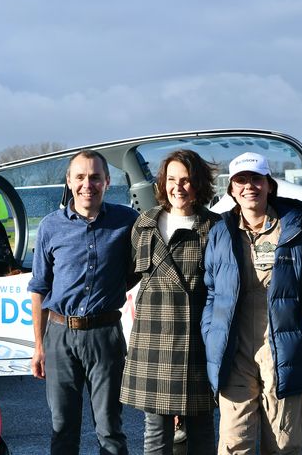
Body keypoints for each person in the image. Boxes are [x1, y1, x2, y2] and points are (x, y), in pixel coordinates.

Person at [202, 152, 302, 454]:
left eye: (256, 179)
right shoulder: (220, 233)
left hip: (283, 347)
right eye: (241, 180)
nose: (250, 186)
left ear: (269, 185)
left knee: (283, 442)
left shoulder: (300, 232)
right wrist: (212, 334)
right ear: (232, 189)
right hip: (234, 350)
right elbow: (211, 292)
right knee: (235, 441)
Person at [28, 150, 138, 455]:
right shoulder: (51, 226)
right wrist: (38, 346)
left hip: (106, 336)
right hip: (60, 336)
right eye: (80, 177)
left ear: (107, 181)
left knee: (110, 430)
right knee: (63, 429)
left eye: (94, 177)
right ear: (69, 181)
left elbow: (139, 268)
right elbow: (39, 288)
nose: (87, 184)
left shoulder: (127, 221)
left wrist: (113, 288)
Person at [120, 149, 220, 455]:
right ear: (163, 183)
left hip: (197, 343)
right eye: (172, 179)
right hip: (154, 342)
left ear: (198, 184)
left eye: (186, 180)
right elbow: (127, 277)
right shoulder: (144, 224)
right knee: (155, 432)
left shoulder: (215, 227)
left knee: (202, 429)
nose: (178, 187)